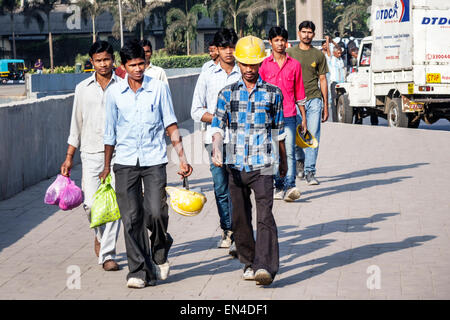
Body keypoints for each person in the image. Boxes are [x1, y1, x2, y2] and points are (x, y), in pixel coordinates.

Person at [100, 39, 193, 289]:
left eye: (142, 63)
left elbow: (171, 124)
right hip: (125, 162)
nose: (138, 69)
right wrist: (106, 166)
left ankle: (160, 248)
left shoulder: (159, 88)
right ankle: (139, 271)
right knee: (131, 218)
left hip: (154, 161)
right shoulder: (113, 94)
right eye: (132, 65)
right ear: (123, 67)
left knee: (156, 212)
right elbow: (109, 134)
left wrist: (182, 158)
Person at [211, 35, 287, 286]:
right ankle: (248, 260)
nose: (249, 70)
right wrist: (217, 150)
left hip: (263, 164)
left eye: (253, 65)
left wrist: (283, 162)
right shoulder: (227, 93)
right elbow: (217, 126)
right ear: (239, 63)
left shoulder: (273, 94)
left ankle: (265, 266)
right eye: (244, 64)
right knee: (240, 218)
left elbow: (278, 131)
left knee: (265, 216)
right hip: (235, 165)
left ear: (260, 64)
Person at [60, 41, 121, 272]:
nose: (103, 64)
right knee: (91, 206)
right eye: (98, 60)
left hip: (118, 154)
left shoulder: (123, 86)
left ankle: (107, 254)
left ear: (113, 60)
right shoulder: (82, 88)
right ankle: (100, 235)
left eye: (107, 59)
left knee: (114, 206)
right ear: (92, 63)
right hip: (91, 153)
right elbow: (76, 124)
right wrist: (69, 157)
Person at [191, 28, 240, 254]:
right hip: (215, 140)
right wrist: (220, 118)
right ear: (217, 50)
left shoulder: (245, 71)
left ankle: (241, 231)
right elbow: (195, 110)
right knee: (221, 187)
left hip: (243, 139)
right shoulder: (207, 73)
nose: (229, 52)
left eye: (232, 47)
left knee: (239, 186)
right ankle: (228, 229)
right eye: (224, 48)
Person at [259, 26, 306, 202]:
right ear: (270, 42)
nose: (279, 43)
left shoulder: (295, 65)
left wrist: (304, 119)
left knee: (290, 152)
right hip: (269, 118)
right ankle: (278, 186)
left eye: (282, 40)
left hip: (289, 115)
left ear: (286, 42)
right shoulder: (264, 66)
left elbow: (300, 93)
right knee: (275, 154)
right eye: (276, 40)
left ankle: (290, 186)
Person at [286, 20, 329, 185]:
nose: (306, 35)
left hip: (313, 100)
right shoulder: (290, 53)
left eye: (310, 32)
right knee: (296, 135)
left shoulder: (318, 55)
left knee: (313, 135)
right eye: (304, 31)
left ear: (313, 34)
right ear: (299, 33)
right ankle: (300, 160)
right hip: (294, 101)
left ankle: (311, 171)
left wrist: (325, 105)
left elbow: (323, 80)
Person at [327, 45, 346, 122]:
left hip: (341, 83)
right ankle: (335, 119)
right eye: (338, 53)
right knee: (334, 101)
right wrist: (328, 40)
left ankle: (340, 117)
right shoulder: (331, 59)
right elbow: (328, 51)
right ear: (334, 53)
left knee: (341, 100)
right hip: (334, 83)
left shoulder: (340, 59)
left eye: (340, 53)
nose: (340, 54)